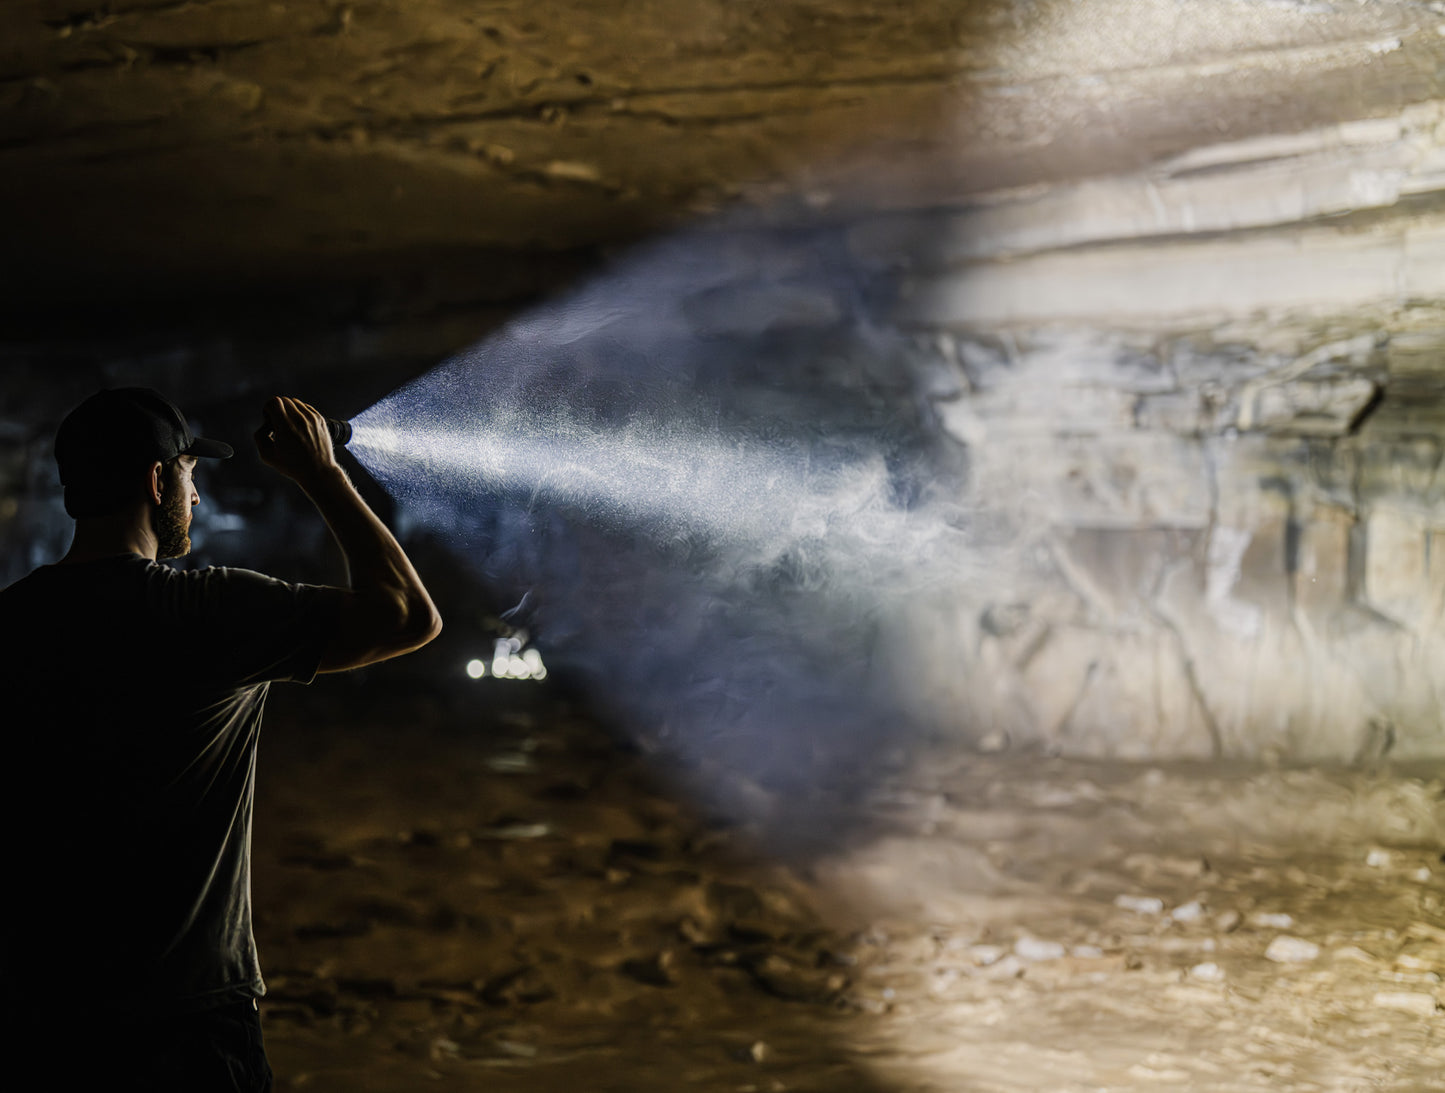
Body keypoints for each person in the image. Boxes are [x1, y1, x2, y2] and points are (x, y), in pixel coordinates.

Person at [0, 388, 442, 1091]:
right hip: (184, 1025)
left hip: (35, 1019)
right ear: (157, 479)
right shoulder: (205, 612)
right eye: (189, 474)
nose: (197, 497)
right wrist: (324, 475)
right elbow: (407, 616)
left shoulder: (12, 622)